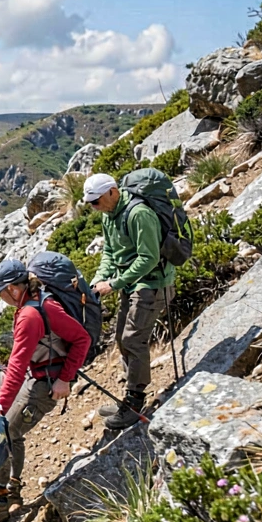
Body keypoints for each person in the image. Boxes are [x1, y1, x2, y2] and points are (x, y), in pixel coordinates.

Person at [0, 258, 92, 522]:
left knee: (1, 433)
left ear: (13, 289)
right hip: (37, 374)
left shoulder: (30, 314)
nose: (0, 298)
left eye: (0, 293)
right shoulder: (34, 300)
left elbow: (80, 339)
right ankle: (12, 485)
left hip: (43, 383)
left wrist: (65, 378)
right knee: (6, 423)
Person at [84, 173, 175, 429]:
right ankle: (130, 396)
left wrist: (113, 284)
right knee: (122, 339)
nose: (94, 207)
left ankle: (134, 402)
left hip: (153, 283)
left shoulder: (138, 214)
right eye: (91, 202)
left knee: (133, 339)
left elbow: (149, 258)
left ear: (113, 192)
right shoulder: (108, 215)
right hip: (132, 283)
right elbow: (110, 253)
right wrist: (98, 279)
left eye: (97, 200)